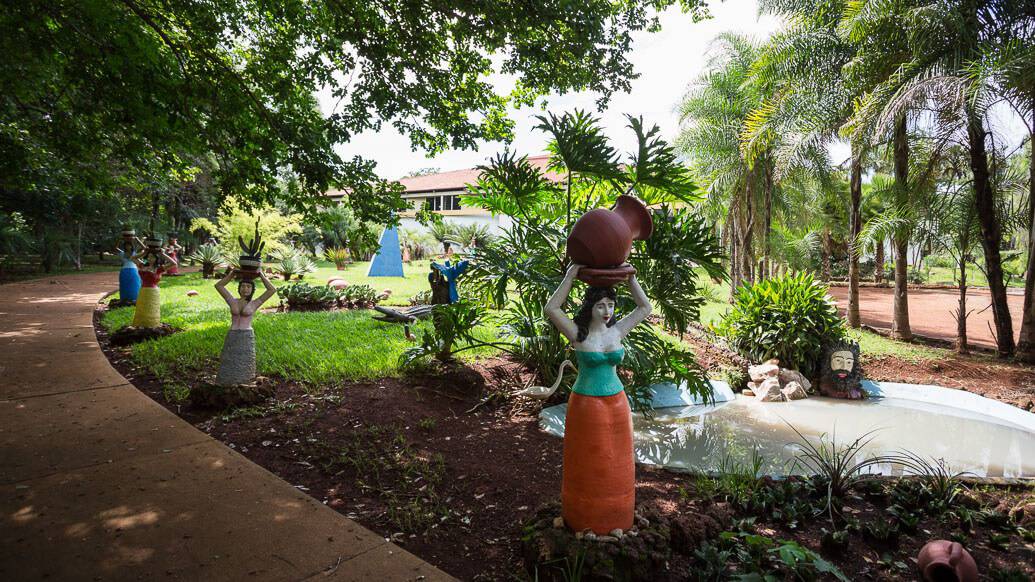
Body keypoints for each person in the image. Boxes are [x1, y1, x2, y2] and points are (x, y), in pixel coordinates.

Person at [544, 263, 652, 534]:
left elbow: (645, 308)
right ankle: (584, 519)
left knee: (617, 464)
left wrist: (631, 279)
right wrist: (570, 276)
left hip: (617, 404)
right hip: (585, 406)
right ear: (590, 307)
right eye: (601, 306)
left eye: (611, 306)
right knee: (588, 464)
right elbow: (551, 309)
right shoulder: (578, 334)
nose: (607, 312)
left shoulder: (617, 331)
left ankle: (618, 518)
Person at [213, 269, 277, 386]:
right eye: (243, 286)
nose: (245, 289)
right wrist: (231, 275)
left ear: (252, 289)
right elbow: (219, 286)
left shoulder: (255, 303)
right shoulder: (232, 301)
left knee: (244, 363)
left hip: (246, 336)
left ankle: (244, 381)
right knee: (229, 361)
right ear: (239, 288)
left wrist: (262, 275)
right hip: (232, 335)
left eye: (248, 287)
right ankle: (226, 381)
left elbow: (272, 290)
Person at [131, 244, 176, 328]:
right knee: (142, 308)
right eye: (149, 257)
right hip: (143, 291)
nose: (149, 258)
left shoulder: (159, 269)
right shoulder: (143, 266)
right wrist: (145, 252)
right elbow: (133, 258)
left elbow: (173, 263)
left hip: (153, 292)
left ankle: (152, 324)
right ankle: (140, 324)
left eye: (152, 257)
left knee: (151, 309)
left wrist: (162, 254)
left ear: (156, 258)